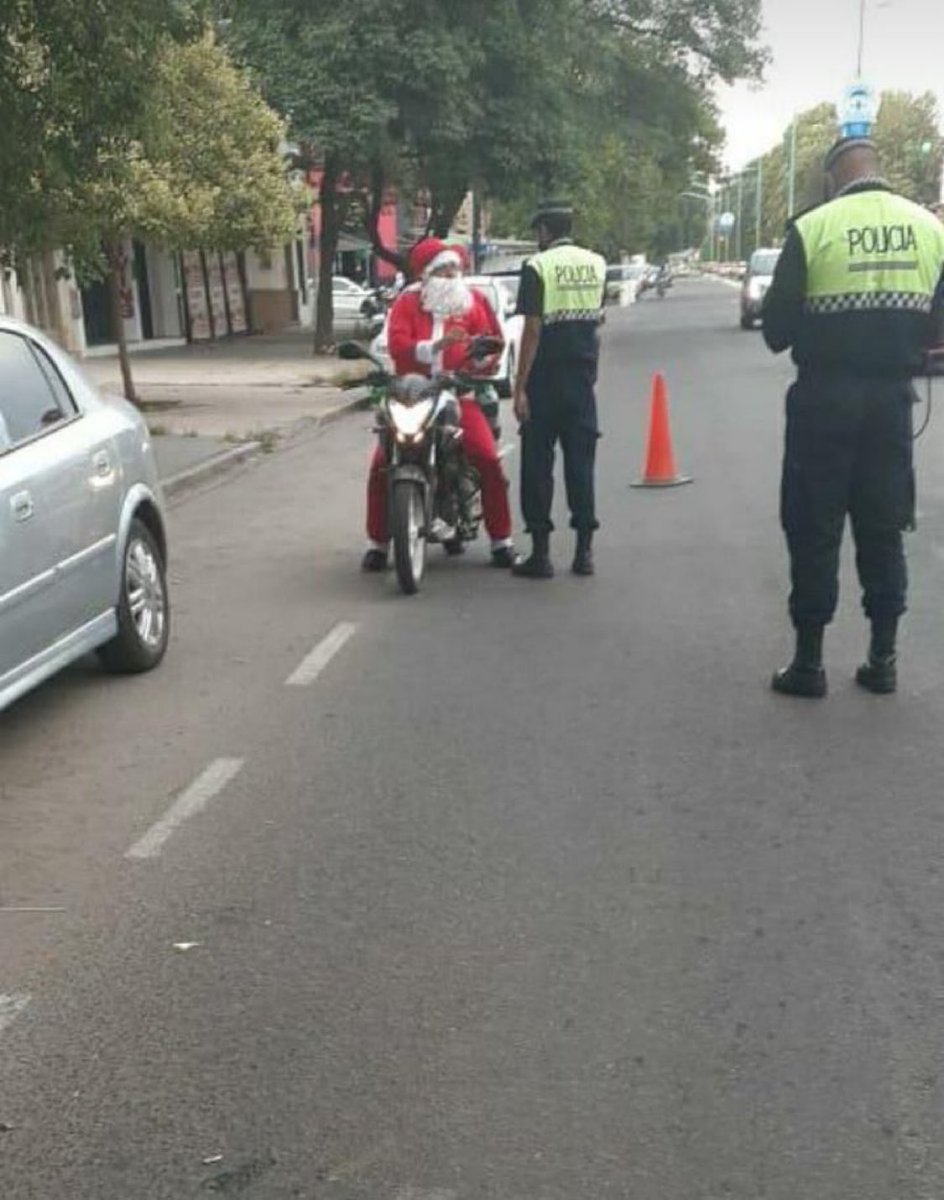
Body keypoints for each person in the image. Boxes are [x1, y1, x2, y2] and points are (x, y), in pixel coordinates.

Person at [763, 136, 944, 697]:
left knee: (814, 527)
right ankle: (882, 659)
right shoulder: (930, 229)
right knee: (883, 527)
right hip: (891, 404)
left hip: (823, 401)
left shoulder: (815, 228)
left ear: (830, 176)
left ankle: (809, 664)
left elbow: (775, 331)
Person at [362, 237, 517, 571]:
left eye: (455, 269)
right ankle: (377, 544)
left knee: (487, 459)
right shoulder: (407, 303)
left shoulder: (473, 302)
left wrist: (478, 363)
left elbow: (493, 345)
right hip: (411, 395)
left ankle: (502, 540)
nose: (451, 275)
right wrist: (437, 345)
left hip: (458, 396)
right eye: (444, 269)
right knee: (379, 466)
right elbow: (398, 345)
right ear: (427, 274)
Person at [511, 200, 607, 578]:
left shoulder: (537, 267)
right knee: (581, 466)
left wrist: (519, 389)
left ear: (545, 231)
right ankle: (584, 553)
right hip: (582, 380)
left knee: (538, 467)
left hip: (545, 380)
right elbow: (596, 323)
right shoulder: (596, 264)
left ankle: (541, 554)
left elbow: (532, 330)